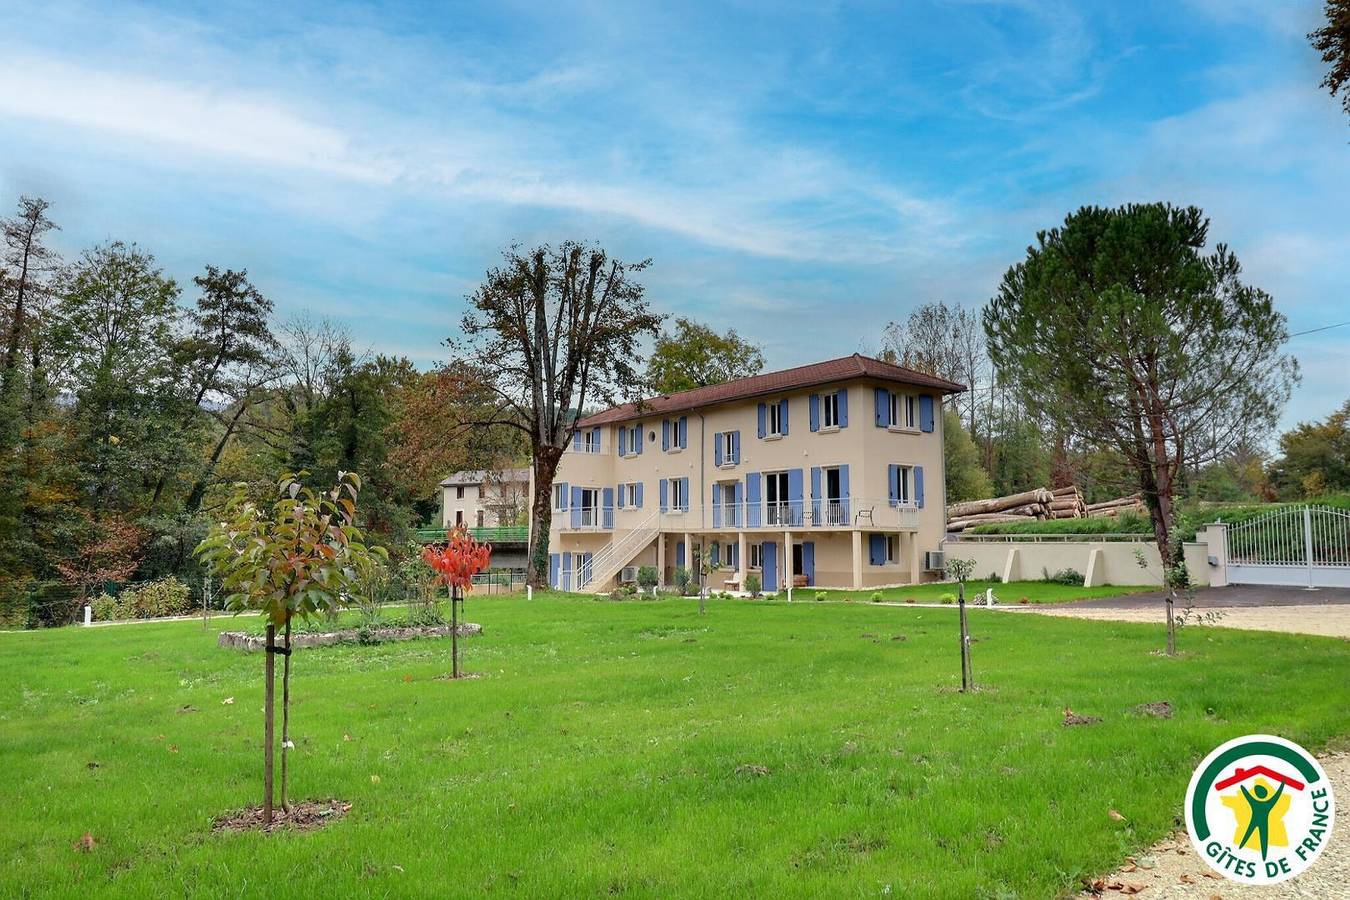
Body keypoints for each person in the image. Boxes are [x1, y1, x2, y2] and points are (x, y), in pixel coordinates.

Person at [1237, 780, 1286, 860]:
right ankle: (1264, 856)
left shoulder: (1254, 802)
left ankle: (1242, 848)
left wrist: (1242, 786)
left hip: (1256, 821)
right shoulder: (1269, 803)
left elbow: (1246, 794)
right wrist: (1282, 785)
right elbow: (1277, 795)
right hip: (1263, 823)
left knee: (1247, 837)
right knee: (1263, 840)